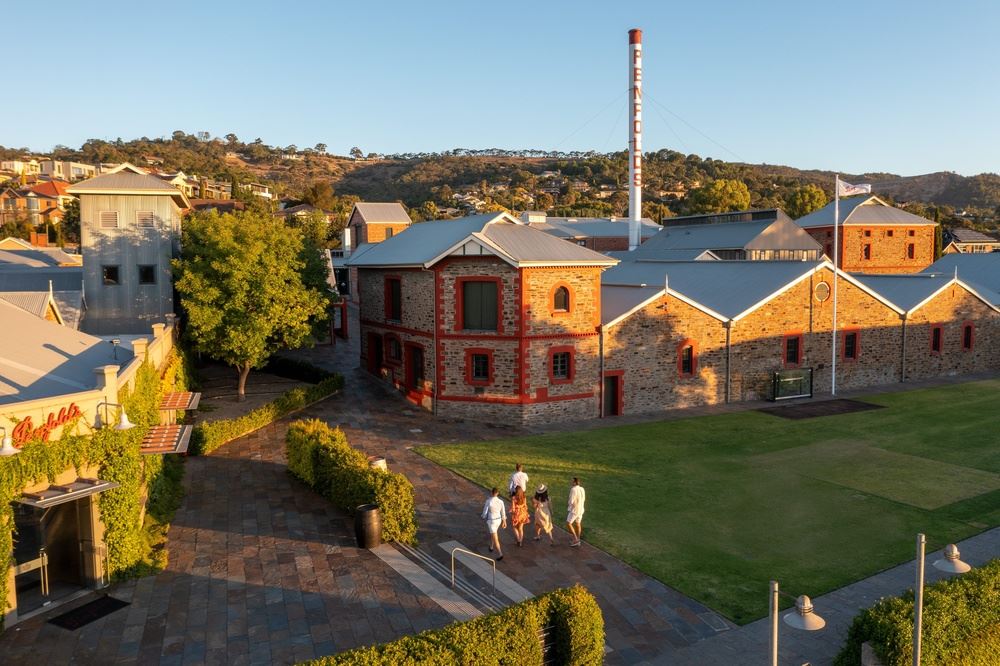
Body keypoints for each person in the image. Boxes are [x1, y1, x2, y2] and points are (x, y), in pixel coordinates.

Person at [481, 487, 507, 560]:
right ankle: (491, 546)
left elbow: (485, 512)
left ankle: (500, 554)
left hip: (492, 522)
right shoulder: (501, 501)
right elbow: (503, 512)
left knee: (496, 538)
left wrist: (483, 516)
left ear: (492, 493)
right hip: (498, 521)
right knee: (493, 533)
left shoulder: (488, 501)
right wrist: (504, 521)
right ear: (497, 493)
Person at [566, 477, 586, 547]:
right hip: (581, 509)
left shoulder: (573, 489)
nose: (571, 482)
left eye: (572, 481)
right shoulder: (582, 489)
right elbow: (584, 499)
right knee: (578, 523)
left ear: (575, 482)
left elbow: (571, 501)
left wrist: (569, 504)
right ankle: (578, 539)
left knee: (568, 523)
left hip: (574, 510)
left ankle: (576, 539)